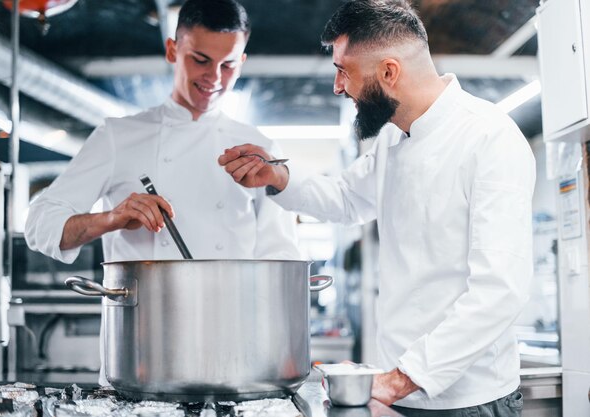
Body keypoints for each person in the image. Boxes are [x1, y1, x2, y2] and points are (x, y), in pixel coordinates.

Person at [218, 0, 535, 415]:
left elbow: (500, 290)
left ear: (389, 72)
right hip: (398, 389)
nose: (337, 86)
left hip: (468, 399)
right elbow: (348, 199)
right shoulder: (391, 139)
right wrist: (277, 178)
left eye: (343, 70)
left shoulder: (490, 137)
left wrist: (402, 379)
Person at [25, 0, 299, 386]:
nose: (214, 77)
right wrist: (111, 218)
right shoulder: (118, 137)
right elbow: (39, 223)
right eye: (200, 60)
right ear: (173, 50)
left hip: (233, 357)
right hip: (140, 356)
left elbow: (281, 263)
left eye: (228, 65)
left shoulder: (255, 146)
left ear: (243, 60)